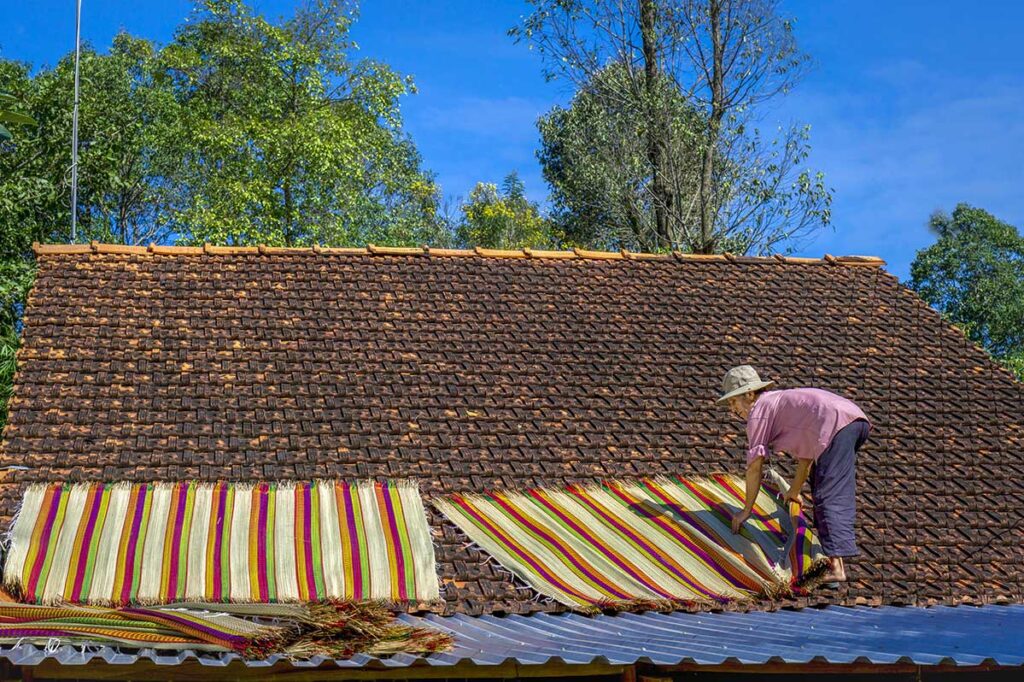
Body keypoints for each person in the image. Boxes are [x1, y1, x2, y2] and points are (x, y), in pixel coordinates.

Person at [717, 365, 870, 583]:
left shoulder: (759, 411)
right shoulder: (781, 406)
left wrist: (746, 510)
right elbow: (806, 459)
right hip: (853, 420)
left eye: (734, 402)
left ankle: (836, 569)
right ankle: (833, 563)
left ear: (750, 394)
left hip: (838, 423)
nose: (733, 410)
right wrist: (794, 491)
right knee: (823, 485)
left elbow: (754, 466)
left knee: (828, 494)